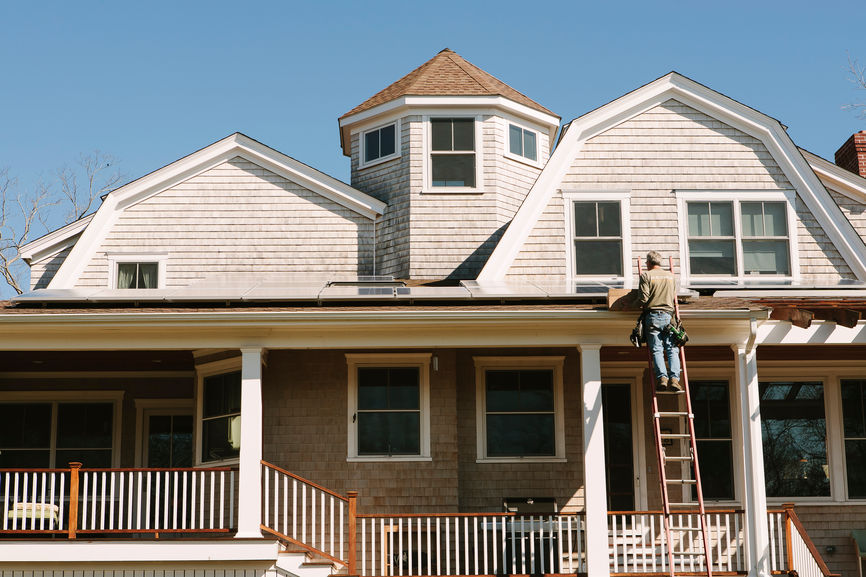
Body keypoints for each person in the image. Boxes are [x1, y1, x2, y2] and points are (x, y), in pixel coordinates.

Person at [638, 251, 682, 392]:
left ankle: (662, 378)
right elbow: (673, 296)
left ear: (649, 263)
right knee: (672, 349)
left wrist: (629, 303)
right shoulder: (670, 277)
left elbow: (643, 299)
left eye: (646, 262)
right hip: (669, 317)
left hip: (653, 316)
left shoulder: (646, 276)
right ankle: (674, 379)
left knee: (657, 349)